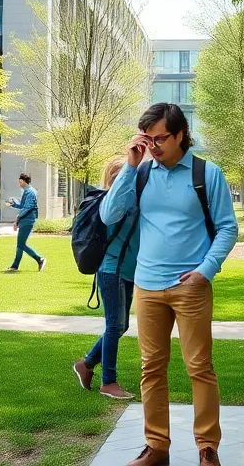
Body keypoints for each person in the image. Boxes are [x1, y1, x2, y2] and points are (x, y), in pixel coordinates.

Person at [101, 102, 238, 466]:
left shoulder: (206, 174)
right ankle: (157, 448)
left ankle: (208, 449)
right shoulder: (141, 174)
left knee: (200, 367)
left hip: (191, 287)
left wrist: (205, 271)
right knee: (151, 368)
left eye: (161, 138)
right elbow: (107, 214)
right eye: (149, 139)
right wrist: (130, 167)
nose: (154, 146)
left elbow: (228, 227)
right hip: (147, 286)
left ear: (180, 135)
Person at [73, 155, 139, 401]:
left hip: (127, 271)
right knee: (114, 325)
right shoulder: (114, 204)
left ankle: (87, 363)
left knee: (122, 325)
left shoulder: (132, 201)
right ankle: (108, 382)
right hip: (112, 270)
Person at [5, 173, 45, 272]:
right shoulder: (27, 192)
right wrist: (13, 205)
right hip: (26, 219)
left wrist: (17, 219)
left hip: (28, 219)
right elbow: (23, 205)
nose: (19, 183)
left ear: (23, 181)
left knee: (21, 244)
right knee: (20, 243)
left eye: (20, 181)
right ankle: (15, 266)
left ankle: (39, 259)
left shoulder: (31, 192)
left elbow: (27, 208)